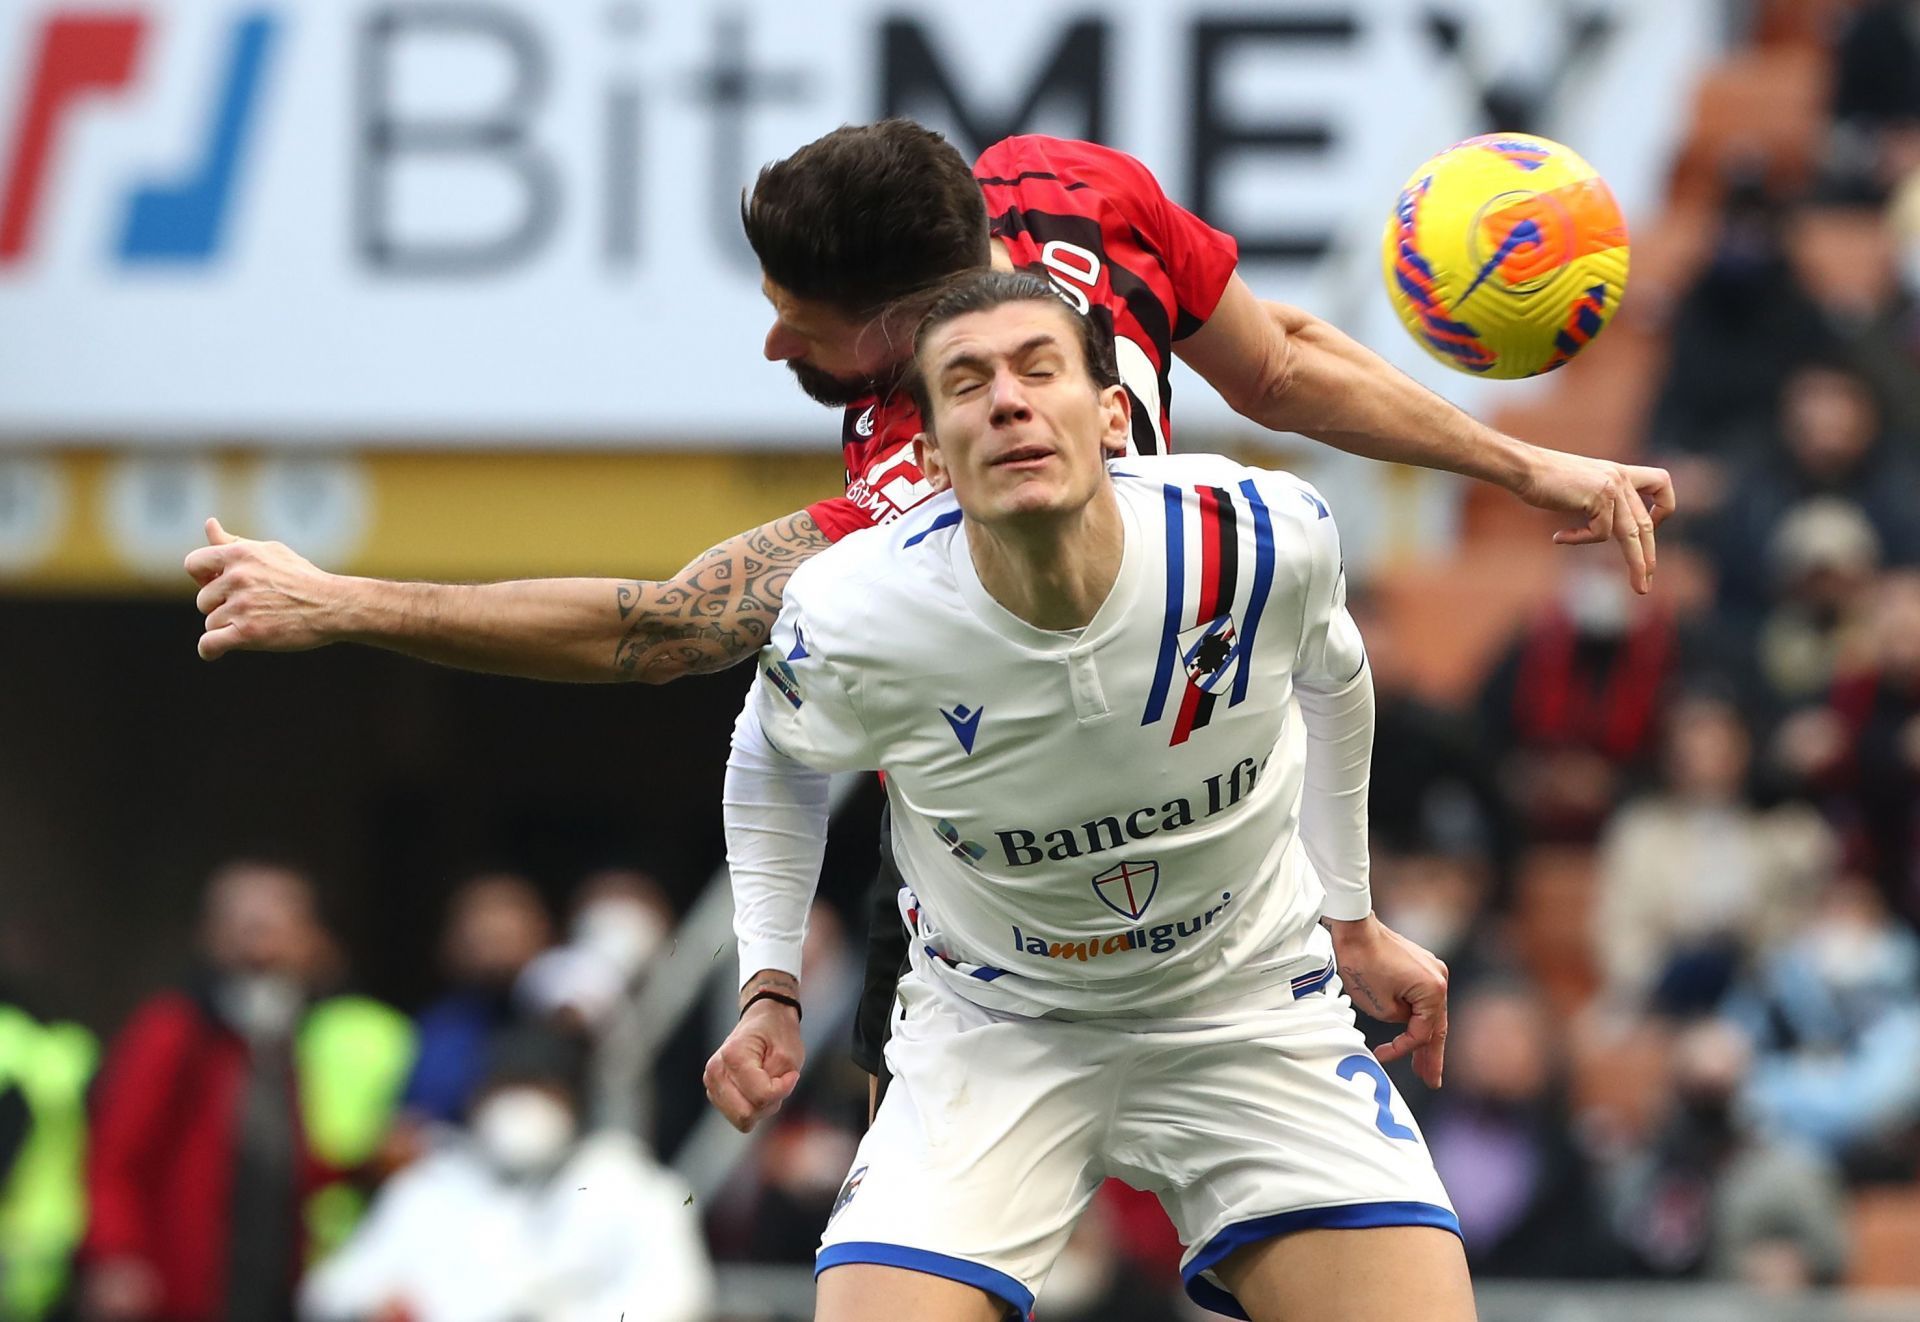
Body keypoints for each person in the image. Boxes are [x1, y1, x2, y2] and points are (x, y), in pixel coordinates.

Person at [186, 120, 1674, 1103]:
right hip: (1186, 829)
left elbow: (658, 624)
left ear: (903, 336)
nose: (772, 336)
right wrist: (1526, 453)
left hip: (1040, 880)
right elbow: (1274, 361)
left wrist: (346, 598)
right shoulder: (1070, 182)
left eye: (799, 321)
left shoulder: (937, 475)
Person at [705, 270, 1469, 1321]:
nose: (1008, 400)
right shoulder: (855, 613)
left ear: (1112, 414)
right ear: (928, 455)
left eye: (1038, 369)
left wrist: (1353, 913)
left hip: (1244, 1004)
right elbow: (771, 757)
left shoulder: (1255, 537)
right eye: (966, 384)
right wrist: (770, 984)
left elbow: (1334, 677)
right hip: (993, 1024)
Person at [81, 862, 412, 1322]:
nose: (261, 943)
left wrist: (363, 1163)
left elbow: (281, 1158)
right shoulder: (176, 1029)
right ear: (211, 935)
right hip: (187, 1284)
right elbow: (117, 1154)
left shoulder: (288, 1037)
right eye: (245, 926)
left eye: (277, 926)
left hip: (270, 1275)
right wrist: (115, 1253)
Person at [299, 1025, 713, 1322]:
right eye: (503, 1088)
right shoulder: (433, 1184)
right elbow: (329, 1289)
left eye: (539, 1089)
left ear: (575, 1101)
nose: (518, 1107)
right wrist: (371, 1305)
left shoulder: (631, 1186)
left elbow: (678, 1296)